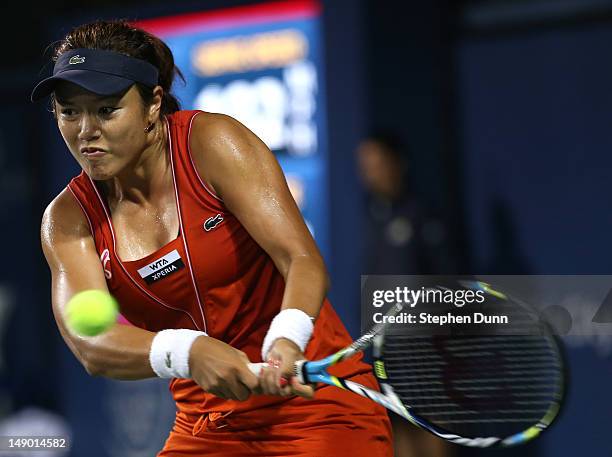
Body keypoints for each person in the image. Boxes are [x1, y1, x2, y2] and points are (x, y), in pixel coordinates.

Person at [33, 20, 392, 456]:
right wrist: (185, 351)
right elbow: (91, 344)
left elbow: (300, 257)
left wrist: (287, 336)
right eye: (70, 111)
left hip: (315, 406)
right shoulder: (67, 219)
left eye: (107, 110)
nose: (86, 130)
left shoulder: (214, 142)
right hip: (207, 425)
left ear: (152, 106)